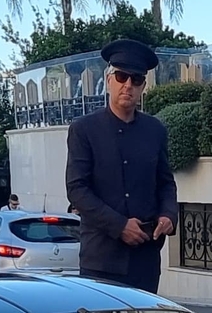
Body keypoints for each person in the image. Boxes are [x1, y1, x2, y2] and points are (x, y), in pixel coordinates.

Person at [65, 37, 176, 293]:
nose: (128, 85)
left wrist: (168, 215)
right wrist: (120, 226)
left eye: (136, 80)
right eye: (122, 77)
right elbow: (77, 189)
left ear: (143, 86)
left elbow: (166, 183)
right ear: (109, 80)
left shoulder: (155, 130)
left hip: (145, 258)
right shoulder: (84, 130)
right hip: (101, 259)